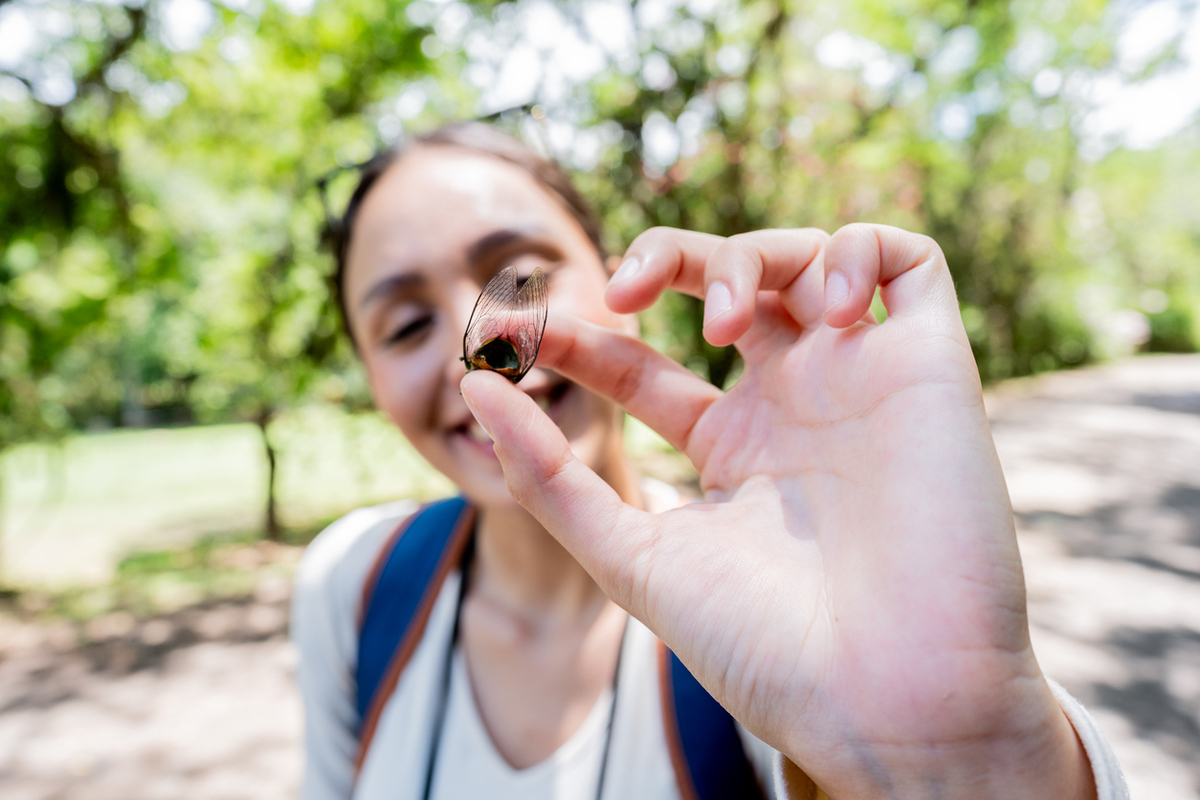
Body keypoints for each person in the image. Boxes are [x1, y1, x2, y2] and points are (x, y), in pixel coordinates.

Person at [292, 122, 1128, 800]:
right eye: (404, 327)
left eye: (517, 277)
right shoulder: (355, 589)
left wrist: (963, 751)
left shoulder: (776, 603)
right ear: (367, 375)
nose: (475, 350)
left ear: (615, 277)